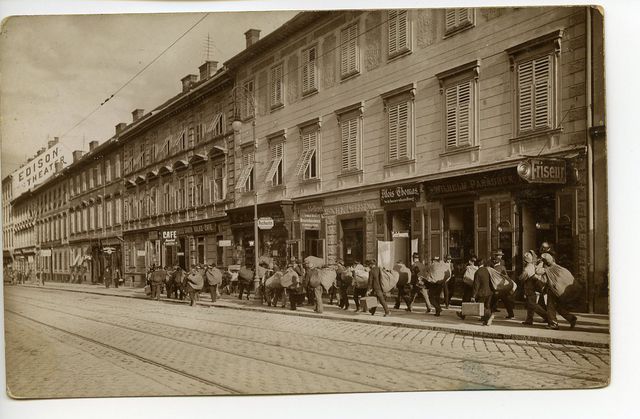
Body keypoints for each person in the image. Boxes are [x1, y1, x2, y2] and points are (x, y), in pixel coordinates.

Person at [540, 253, 578, 330]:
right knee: (559, 307)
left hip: (553, 291)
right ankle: (571, 318)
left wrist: (540, 264)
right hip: (560, 292)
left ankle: (553, 324)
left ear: (545, 262)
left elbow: (538, 273)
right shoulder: (559, 268)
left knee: (550, 307)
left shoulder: (548, 270)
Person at [520, 250, 548, 325]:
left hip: (530, 289)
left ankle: (548, 317)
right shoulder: (532, 266)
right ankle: (529, 320)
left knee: (533, 305)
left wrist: (520, 277)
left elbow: (522, 278)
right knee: (530, 305)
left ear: (525, 261)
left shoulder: (527, 268)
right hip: (532, 288)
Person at [471, 259, 495, 326]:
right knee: (487, 305)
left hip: (482, 292)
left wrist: (473, 296)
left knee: (482, 306)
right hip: (489, 291)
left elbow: (476, 285)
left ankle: (488, 318)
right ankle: (486, 318)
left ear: (478, 264)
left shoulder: (478, 272)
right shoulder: (488, 270)